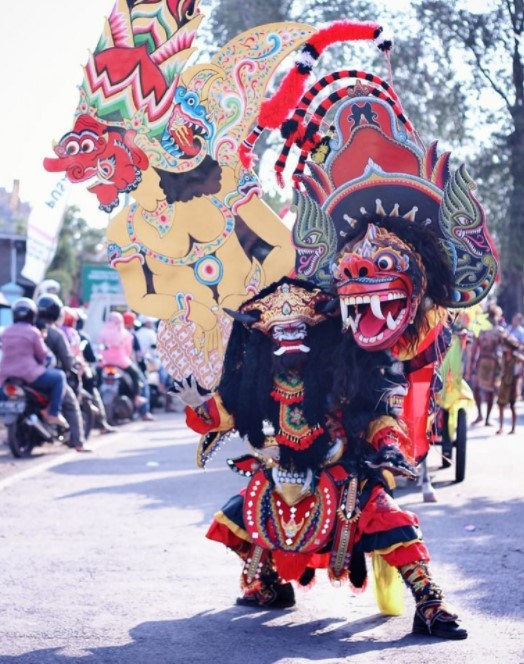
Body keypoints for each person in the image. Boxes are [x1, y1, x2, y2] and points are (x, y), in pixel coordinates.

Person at [174, 278, 467, 640]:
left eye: (297, 328)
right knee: (235, 517)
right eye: (279, 331)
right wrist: (198, 405)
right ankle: (270, 583)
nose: (288, 336)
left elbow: (377, 414)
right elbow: (226, 411)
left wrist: (388, 445)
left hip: (341, 473)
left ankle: (429, 601)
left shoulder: (343, 371)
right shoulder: (259, 377)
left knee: (391, 520)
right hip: (281, 474)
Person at [0, 298, 66, 427]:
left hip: (5, 375)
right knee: (59, 377)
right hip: (29, 374)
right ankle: (53, 413)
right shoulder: (33, 332)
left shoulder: (5, 332)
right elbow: (43, 355)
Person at [36, 294, 90, 452]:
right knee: (71, 403)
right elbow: (67, 359)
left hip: (25, 375)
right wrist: (73, 366)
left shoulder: (31, 329)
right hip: (49, 376)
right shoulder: (55, 333)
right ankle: (79, 442)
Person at [97, 311, 147, 412]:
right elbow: (128, 350)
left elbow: (99, 348)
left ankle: (95, 395)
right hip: (121, 362)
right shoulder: (125, 333)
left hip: (104, 362)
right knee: (135, 375)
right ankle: (137, 397)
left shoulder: (102, 332)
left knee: (96, 379)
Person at [466, 306, 504, 427]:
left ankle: (485, 417)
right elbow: (473, 349)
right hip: (483, 362)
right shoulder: (482, 330)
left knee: (490, 391)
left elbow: (504, 348)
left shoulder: (499, 331)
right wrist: (471, 365)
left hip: (492, 363)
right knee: (478, 389)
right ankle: (481, 415)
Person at [123, 311, 155, 421]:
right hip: (128, 364)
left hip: (113, 364)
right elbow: (138, 354)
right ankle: (144, 412)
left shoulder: (115, 332)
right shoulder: (131, 335)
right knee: (144, 385)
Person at [496, 332, 524, 435]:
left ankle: (513, 428)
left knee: (512, 406)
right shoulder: (503, 356)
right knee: (501, 405)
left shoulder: (516, 357)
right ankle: (501, 427)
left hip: (513, 384)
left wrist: (520, 374)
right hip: (504, 383)